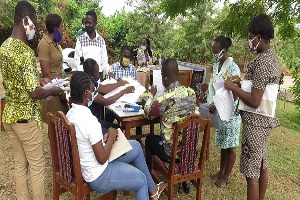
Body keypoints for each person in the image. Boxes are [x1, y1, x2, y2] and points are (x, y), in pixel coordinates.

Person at [66, 71, 167, 200]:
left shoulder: (71, 114)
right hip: (99, 175)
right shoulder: (89, 120)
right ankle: (148, 188)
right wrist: (112, 137)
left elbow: (84, 141)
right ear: (86, 94)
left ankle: (153, 190)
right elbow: (102, 159)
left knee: (135, 146)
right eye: (92, 90)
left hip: (90, 163)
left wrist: (103, 140)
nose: (94, 93)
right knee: (141, 180)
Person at [0, 2, 64, 199]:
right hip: (26, 119)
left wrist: (39, 81)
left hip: (9, 115)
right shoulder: (26, 52)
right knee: (37, 166)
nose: (34, 29)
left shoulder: (4, 47)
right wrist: (51, 89)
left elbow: (19, 82)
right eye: (34, 23)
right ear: (26, 20)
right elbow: (34, 93)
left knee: (20, 164)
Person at [224, 14, 281, 200]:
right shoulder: (272, 58)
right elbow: (259, 89)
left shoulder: (263, 62)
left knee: (252, 175)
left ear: (259, 36)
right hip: (264, 122)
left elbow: (256, 100)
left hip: (255, 123)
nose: (250, 42)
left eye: (250, 38)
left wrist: (232, 87)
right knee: (262, 165)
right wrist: (241, 84)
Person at [144, 58, 196, 193]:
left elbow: (148, 112)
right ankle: (184, 180)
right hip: (187, 150)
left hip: (170, 153)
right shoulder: (191, 93)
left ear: (165, 79)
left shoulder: (163, 100)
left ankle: (150, 181)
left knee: (149, 140)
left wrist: (151, 95)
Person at [206, 36, 241, 188]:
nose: (214, 54)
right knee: (223, 143)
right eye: (213, 51)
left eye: (216, 51)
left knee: (231, 146)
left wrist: (217, 104)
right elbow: (216, 86)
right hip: (219, 110)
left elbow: (235, 93)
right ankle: (221, 172)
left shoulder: (233, 68)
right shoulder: (216, 65)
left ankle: (225, 177)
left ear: (223, 51)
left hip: (231, 112)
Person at [83, 58, 134, 133]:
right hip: (91, 125)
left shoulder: (90, 80)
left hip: (94, 121)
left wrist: (119, 83)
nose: (98, 74)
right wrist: (124, 91)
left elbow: (104, 88)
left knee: (118, 128)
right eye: (97, 73)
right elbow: (105, 102)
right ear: (91, 74)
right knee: (117, 131)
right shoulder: (88, 86)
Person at [38, 13, 69, 122]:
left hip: (59, 87)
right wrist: (60, 92)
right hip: (53, 90)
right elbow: (46, 73)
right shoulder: (44, 44)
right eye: (62, 26)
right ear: (56, 28)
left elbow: (59, 67)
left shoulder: (56, 44)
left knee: (62, 125)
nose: (63, 29)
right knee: (55, 124)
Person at [74, 10, 110, 80]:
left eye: (90, 23)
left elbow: (104, 61)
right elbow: (77, 61)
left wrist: (108, 72)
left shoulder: (101, 41)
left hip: (98, 76)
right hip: (85, 77)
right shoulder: (80, 40)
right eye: (86, 23)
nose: (87, 25)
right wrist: (84, 75)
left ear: (95, 23)